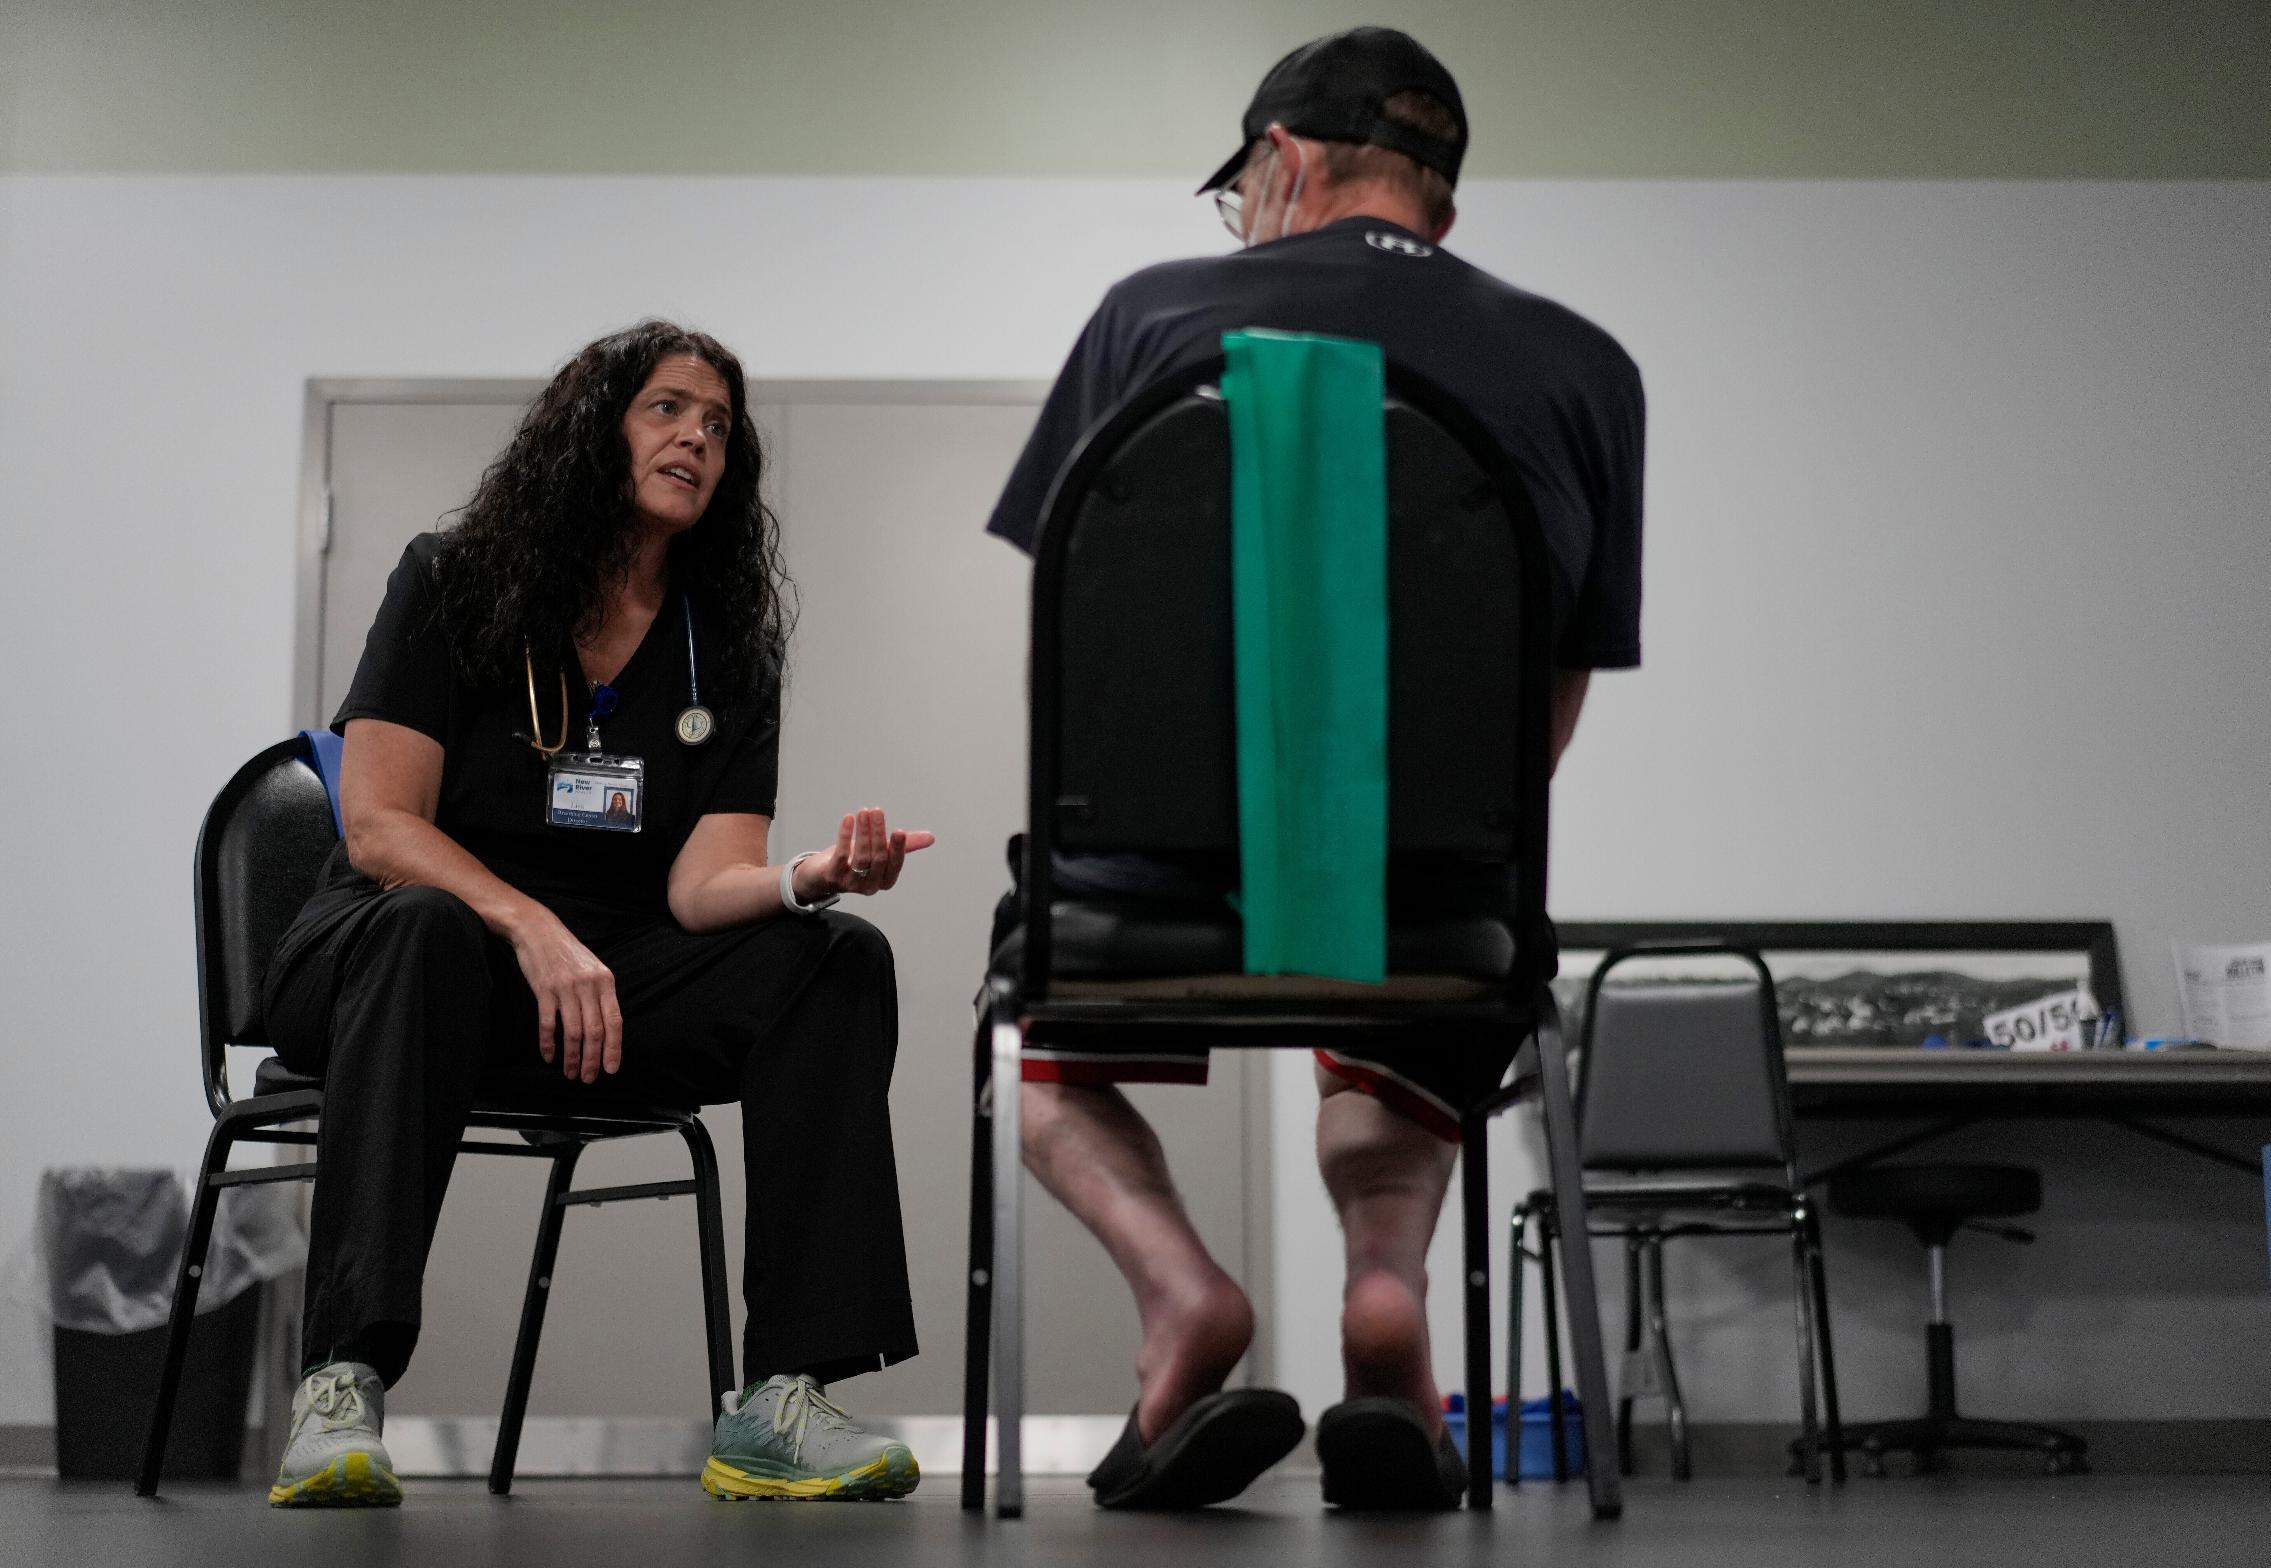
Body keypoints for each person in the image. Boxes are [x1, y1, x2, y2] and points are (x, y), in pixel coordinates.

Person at [986, 28, 1645, 1511]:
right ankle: (1385, 1290)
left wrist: (1108, 829)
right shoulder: (1582, 365)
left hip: (1135, 897)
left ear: (1279, 164)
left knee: (1028, 1034)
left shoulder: (1147, 318)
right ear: (1442, 208)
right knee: (1418, 973)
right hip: (1433, 907)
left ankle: (1178, 1291)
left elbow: (1069, 641)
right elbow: (1552, 690)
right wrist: (1445, 849)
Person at [262, 320, 933, 1508]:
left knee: (834, 961)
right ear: (595, 430)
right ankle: (343, 1378)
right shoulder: (453, 580)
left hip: (605, 981)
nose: (698, 439)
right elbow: (378, 828)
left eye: (719, 425)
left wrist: (806, 880)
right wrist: (526, 922)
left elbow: (700, 884)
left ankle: (783, 1394)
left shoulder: (721, 646)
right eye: (668, 409)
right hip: (397, 948)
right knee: (426, 926)